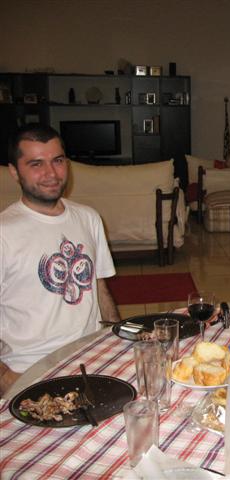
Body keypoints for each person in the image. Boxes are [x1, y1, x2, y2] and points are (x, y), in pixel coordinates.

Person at [0, 123, 120, 396]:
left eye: (57, 160)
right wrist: (7, 379)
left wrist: (117, 338)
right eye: (36, 164)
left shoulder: (88, 218)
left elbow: (98, 287)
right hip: (29, 369)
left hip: (92, 357)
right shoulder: (4, 232)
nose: (51, 174)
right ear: (14, 172)